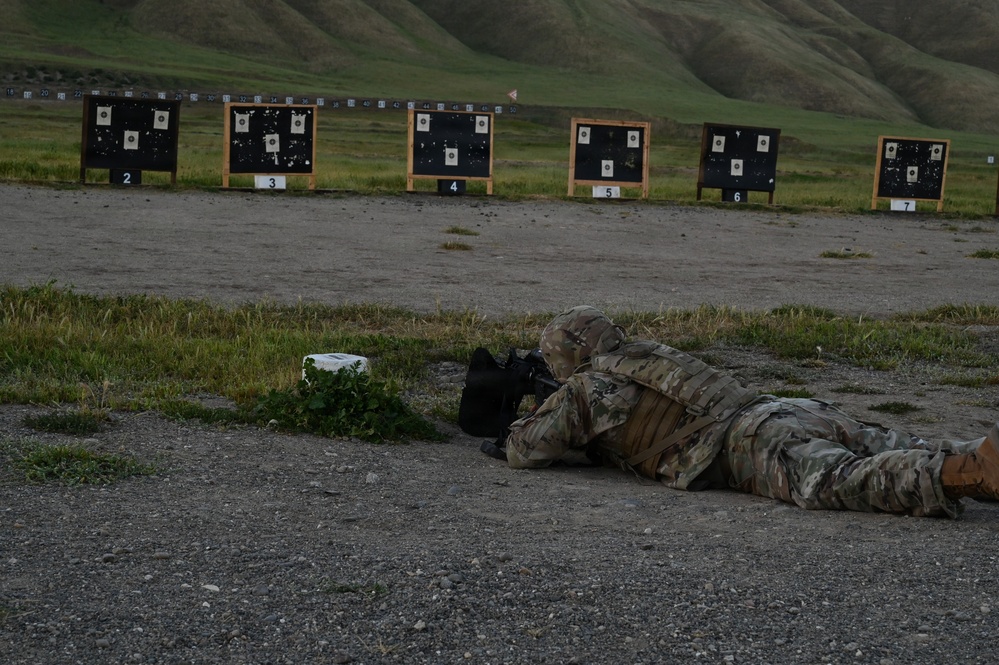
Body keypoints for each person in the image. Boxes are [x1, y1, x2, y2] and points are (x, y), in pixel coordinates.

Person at [504, 305, 999, 518]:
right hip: (786, 408)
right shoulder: (648, 353)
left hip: (750, 440)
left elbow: (527, 451)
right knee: (894, 443)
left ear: (565, 357)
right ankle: (977, 454)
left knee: (839, 481)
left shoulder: (585, 390)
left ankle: (969, 473)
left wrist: (534, 412)